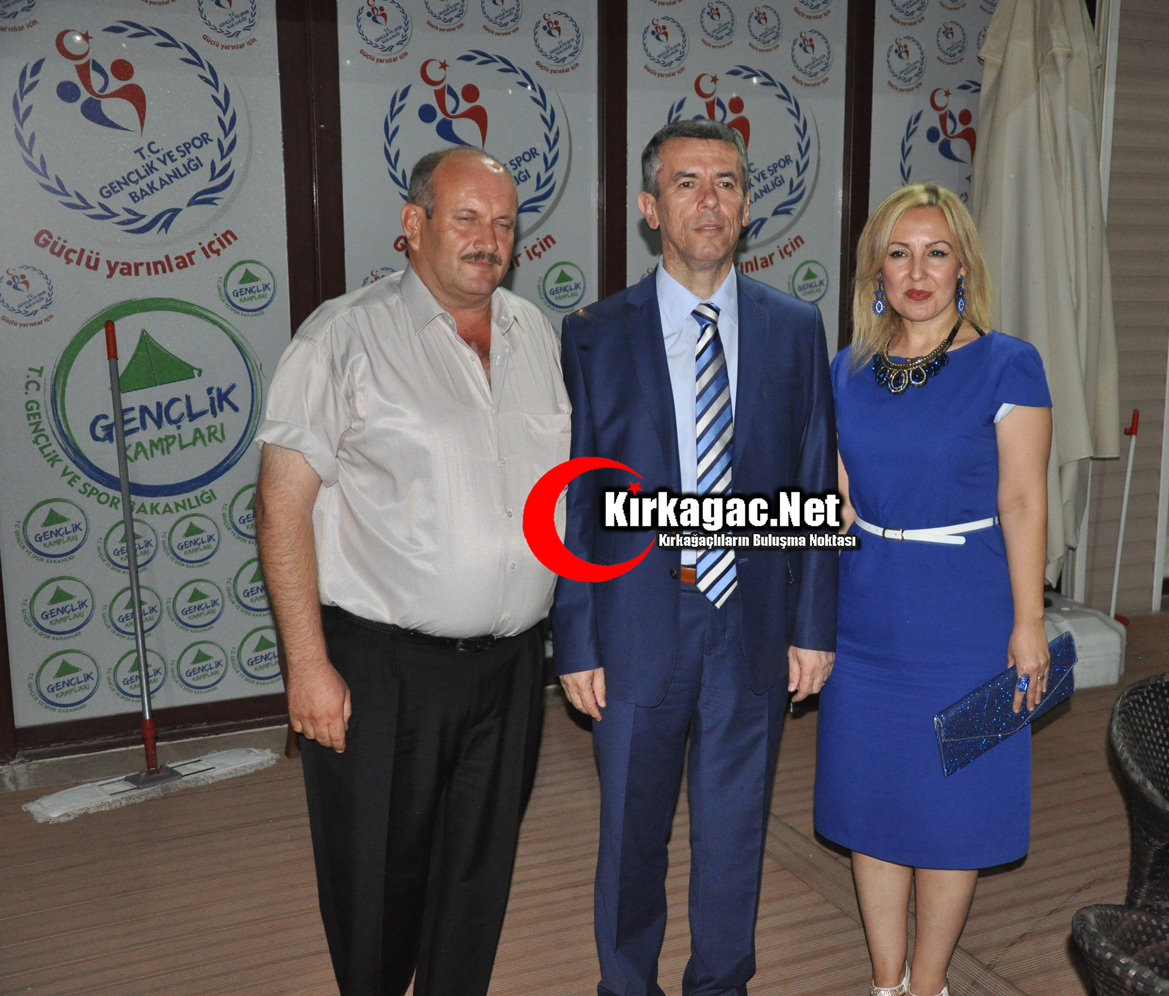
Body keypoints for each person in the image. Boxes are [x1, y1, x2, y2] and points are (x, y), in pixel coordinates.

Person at [254, 146, 569, 996]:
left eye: (504, 223)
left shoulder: (535, 335)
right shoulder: (341, 335)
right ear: (414, 224)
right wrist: (306, 665)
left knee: (476, 883)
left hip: (511, 669)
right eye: (466, 218)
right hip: (382, 670)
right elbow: (280, 508)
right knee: (376, 890)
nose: (488, 239)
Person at [553, 119, 838, 996]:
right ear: (651, 208)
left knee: (735, 832)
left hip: (751, 622)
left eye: (726, 183)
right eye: (686, 183)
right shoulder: (595, 332)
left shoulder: (795, 328)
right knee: (631, 837)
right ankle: (625, 985)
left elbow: (811, 478)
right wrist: (577, 638)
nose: (708, 201)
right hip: (637, 621)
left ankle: (721, 984)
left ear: (747, 208)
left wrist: (812, 626)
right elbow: (577, 498)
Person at [813, 183, 1053, 996]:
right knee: (873, 805)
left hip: (971, 618)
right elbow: (837, 503)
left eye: (937, 253)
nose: (918, 272)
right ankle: (886, 983)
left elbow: (1023, 500)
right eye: (900, 254)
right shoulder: (848, 370)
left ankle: (930, 984)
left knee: (955, 811)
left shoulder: (1008, 364)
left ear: (963, 268)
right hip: (865, 617)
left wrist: (1029, 620)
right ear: (876, 272)